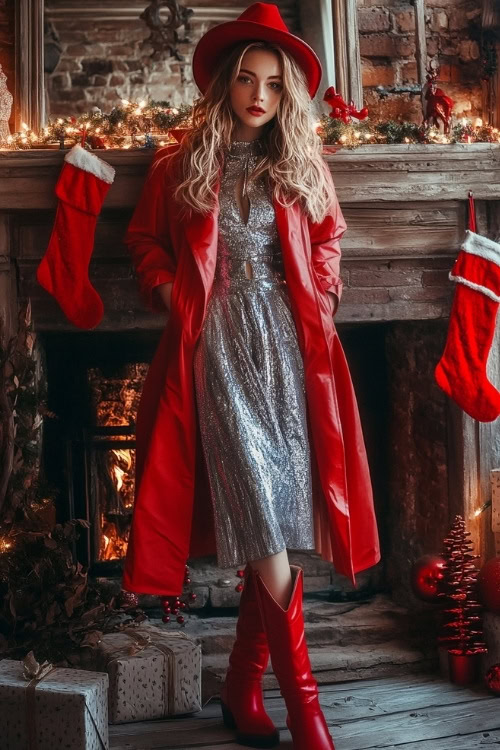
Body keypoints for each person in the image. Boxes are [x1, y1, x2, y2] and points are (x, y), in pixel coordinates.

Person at [122, 3, 381, 749]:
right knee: (264, 514)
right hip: (217, 347)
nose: (259, 95)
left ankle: (241, 689)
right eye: (246, 79)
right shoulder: (180, 162)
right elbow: (144, 240)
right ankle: (309, 712)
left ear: (287, 91)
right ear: (225, 84)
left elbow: (329, 237)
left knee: (280, 518)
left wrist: (325, 295)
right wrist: (170, 293)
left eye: (272, 82)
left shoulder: (300, 160)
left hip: (290, 351)